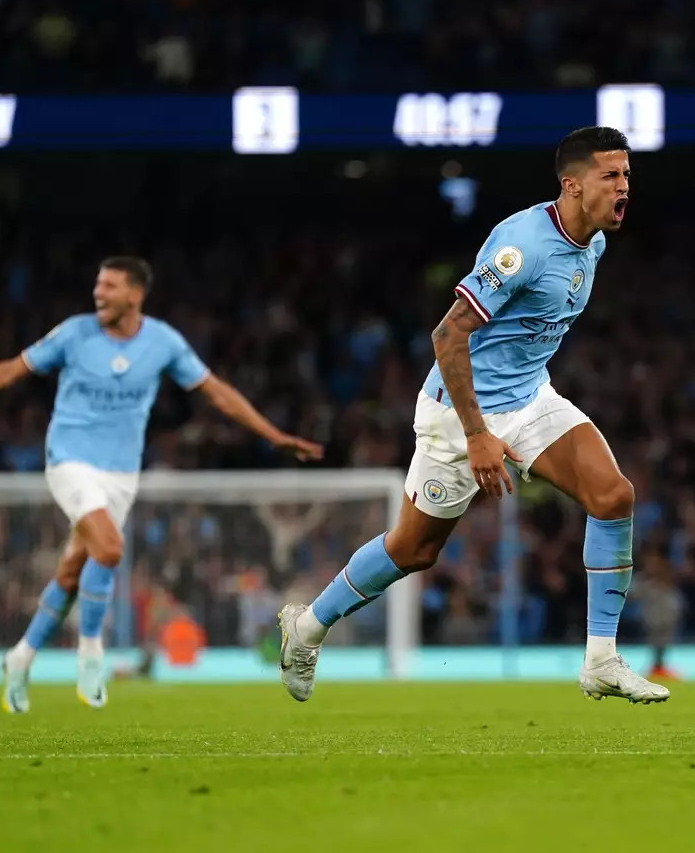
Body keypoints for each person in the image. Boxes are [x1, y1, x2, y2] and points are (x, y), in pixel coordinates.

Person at [276, 127, 669, 704]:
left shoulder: (594, 244)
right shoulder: (522, 246)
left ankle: (601, 661)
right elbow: (447, 335)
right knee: (414, 550)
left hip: (530, 398)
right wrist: (478, 434)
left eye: (627, 175)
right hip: (459, 414)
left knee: (614, 497)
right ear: (573, 184)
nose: (623, 187)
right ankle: (307, 628)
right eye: (610, 176)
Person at [0, 257, 322, 712]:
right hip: (70, 460)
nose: (99, 292)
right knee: (110, 549)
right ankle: (92, 654)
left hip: (121, 473)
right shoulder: (73, 333)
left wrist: (273, 435)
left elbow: (217, 393)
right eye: (98, 284)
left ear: (135, 294)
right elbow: (10, 371)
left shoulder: (163, 342)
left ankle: (20, 658)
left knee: (75, 570)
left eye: (110, 285)